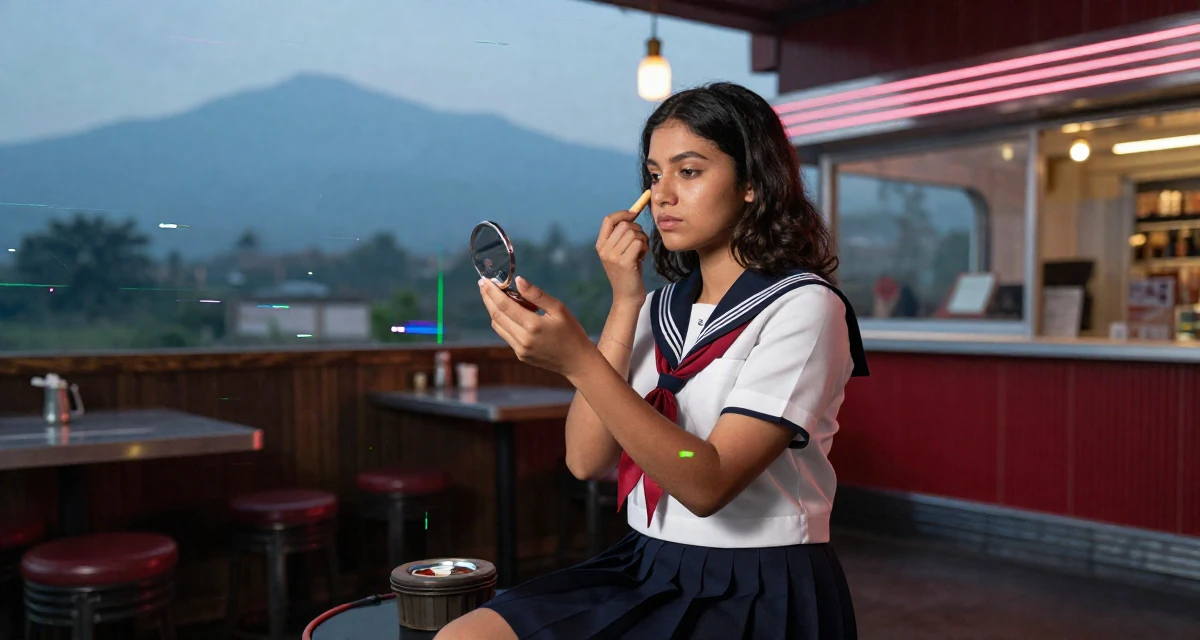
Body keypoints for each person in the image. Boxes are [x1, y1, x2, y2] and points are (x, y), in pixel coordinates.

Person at [437, 81, 869, 640]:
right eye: (653, 174)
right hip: (648, 561)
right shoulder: (657, 308)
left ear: (752, 184)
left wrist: (578, 362)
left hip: (756, 583)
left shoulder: (804, 307)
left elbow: (707, 479)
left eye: (688, 171)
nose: (661, 195)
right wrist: (624, 301)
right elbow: (585, 459)